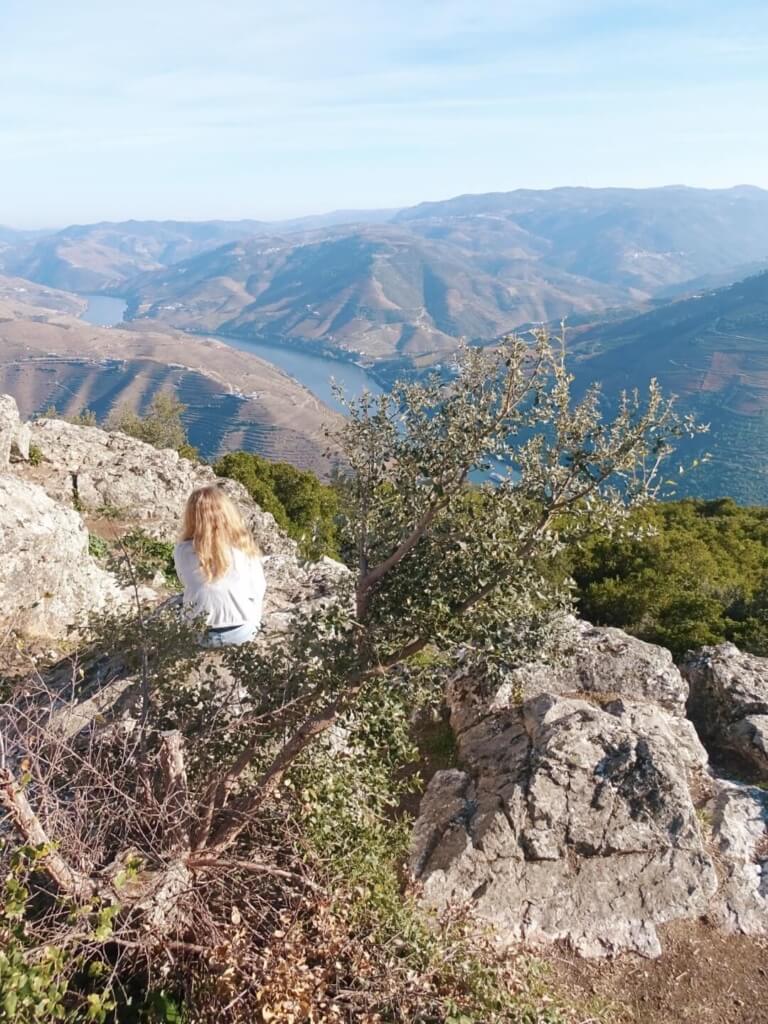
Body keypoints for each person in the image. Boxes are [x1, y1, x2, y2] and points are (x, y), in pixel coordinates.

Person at [174, 484, 266, 647]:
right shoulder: (242, 547)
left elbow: (185, 582)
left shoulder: (182, 551)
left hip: (200, 635)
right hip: (242, 632)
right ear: (227, 514)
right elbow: (258, 589)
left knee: (177, 606)